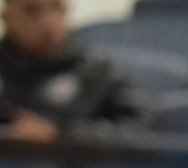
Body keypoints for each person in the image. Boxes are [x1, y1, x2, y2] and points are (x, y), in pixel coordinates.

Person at [0, 0, 145, 143]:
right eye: (32, 11)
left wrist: (61, 135)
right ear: (7, 17)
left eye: (57, 7)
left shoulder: (100, 73)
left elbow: (140, 129)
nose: (47, 20)